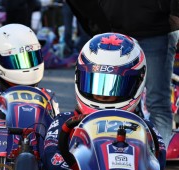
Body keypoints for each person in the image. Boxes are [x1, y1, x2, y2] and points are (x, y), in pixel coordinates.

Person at [42, 33, 167, 170]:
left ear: (137, 82)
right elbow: (53, 161)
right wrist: (90, 169)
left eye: (115, 85)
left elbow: (158, 164)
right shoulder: (65, 122)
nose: (103, 94)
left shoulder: (143, 127)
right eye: (96, 83)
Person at [65, 0, 179, 148]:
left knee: (157, 101)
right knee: (99, 97)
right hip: (112, 31)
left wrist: (176, 14)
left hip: (156, 29)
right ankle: (95, 152)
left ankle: (155, 158)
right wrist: (96, 20)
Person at [0, 23, 60, 152]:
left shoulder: (48, 96)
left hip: (38, 159)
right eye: (17, 61)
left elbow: (54, 136)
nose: (27, 67)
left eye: (31, 58)